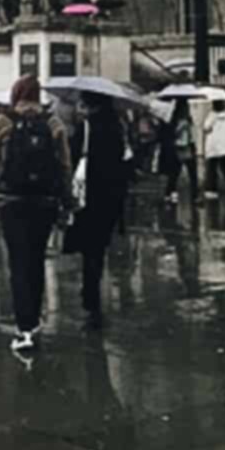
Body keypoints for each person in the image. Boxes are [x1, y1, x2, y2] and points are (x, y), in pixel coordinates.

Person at [0, 74, 71, 354]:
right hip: (45, 201)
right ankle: (35, 319)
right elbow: (65, 165)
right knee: (36, 259)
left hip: (12, 201)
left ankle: (25, 327)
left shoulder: (3, 122)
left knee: (18, 263)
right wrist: (65, 199)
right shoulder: (53, 123)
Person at [68, 94, 130, 331]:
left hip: (89, 195)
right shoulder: (117, 128)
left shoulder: (85, 129)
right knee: (99, 246)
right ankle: (92, 293)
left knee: (89, 247)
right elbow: (125, 162)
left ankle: (90, 296)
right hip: (110, 195)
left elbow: (73, 156)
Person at [160, 98, 198, 203]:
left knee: (189, 172)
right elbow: (173, 133)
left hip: (187, 146)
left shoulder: (187, 119)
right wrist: (182, 126)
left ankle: (194, 194)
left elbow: (191, 134)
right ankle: (169, 192)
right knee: (176, 172)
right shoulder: (176, 120)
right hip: (180, 147)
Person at [202, 94, 225, 197]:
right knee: (224, 165)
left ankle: (211, 189)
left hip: (214, 146)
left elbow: (206, 127)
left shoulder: (213, 115)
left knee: (212, 167)